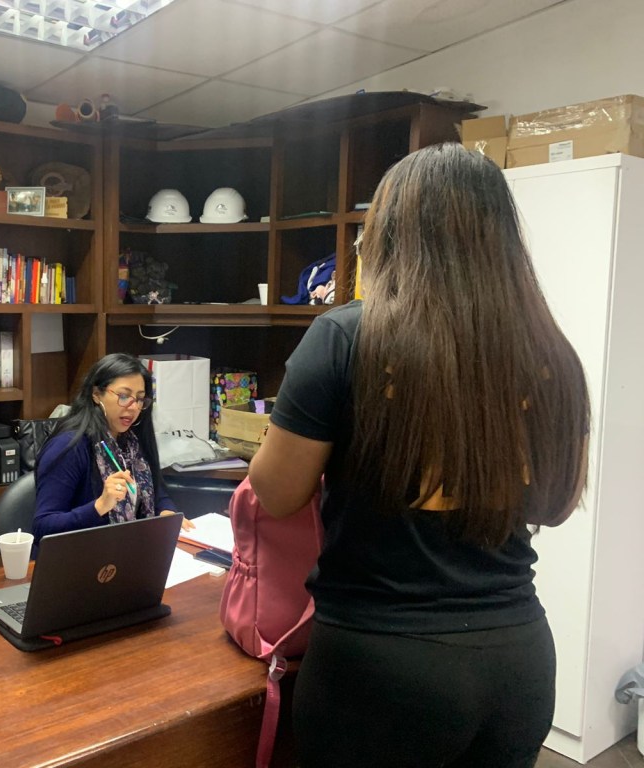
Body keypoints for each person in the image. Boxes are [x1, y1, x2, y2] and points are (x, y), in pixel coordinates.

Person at [248, 143, 590, 768]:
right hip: (516, 659)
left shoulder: (345, 336)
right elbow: (556, 504)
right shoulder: (551, 353)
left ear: (388, 238)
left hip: (380, 665)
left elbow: (276, 492)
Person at [32, 353, 188, 544]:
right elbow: (43, 527)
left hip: (131, 549)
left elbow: (158, 492)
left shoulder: (133, 440)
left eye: (140, 399)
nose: (133, 407)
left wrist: (167, 513)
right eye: (124, 396)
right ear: (96, 394)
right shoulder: (69, 446)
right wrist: (99, 506)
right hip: (81, 554)